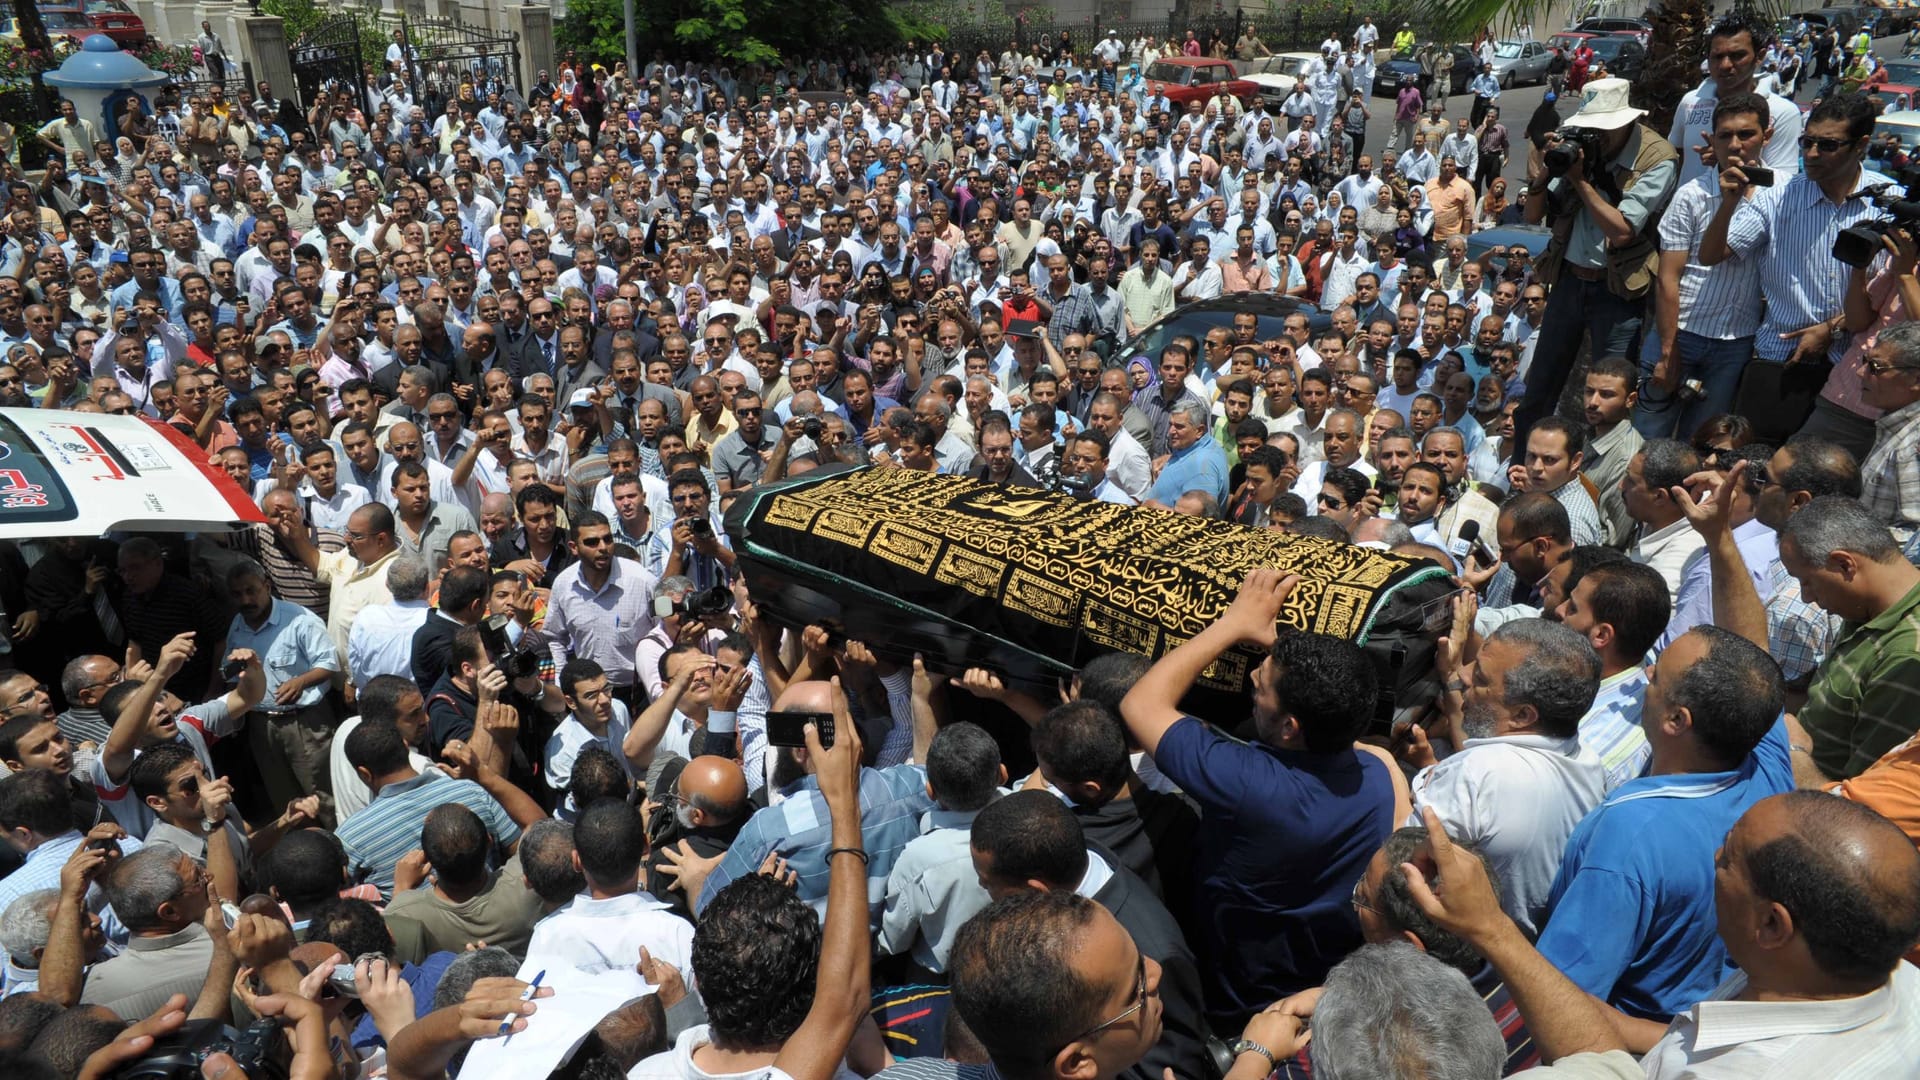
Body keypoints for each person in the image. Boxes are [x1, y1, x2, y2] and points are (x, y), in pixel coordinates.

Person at [1119, 570, 1401, 1027]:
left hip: (1237, 988)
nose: (1251, 675)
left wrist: (1232, 624)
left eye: (1262, 685)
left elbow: (1140, 705)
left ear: (1290, 727)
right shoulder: (1378, 774)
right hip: (1315, 972)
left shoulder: (1250, 784)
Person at [1403, 618, 1605, 934]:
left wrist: (1379, 760)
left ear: (1523, 715)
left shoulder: (1476, 775)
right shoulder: (1588, 762)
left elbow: (1396, 867)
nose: (1463, 675)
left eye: (1480, 678)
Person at [1514, 78, 1679, 456]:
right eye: (1591, 127)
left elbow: (1622, 230)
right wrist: (1546, 171)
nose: (1596, 136)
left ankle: (1599, 475)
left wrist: (1581, 181)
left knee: (1609, 397)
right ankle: (1523, 467)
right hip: (1570, 280)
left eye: (1603, 129)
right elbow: (1533, 214)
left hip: (1617, 290)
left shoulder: (1657, 157)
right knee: (1538, 389)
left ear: (1626, 123)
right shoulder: (1577, 145)